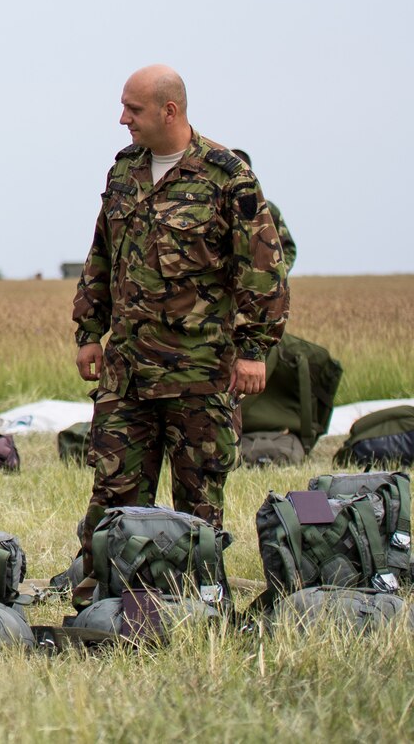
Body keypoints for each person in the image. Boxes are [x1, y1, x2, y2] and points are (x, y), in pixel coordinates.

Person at [70, 64, 288, 604]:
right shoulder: (124, 171)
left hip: (199, 371)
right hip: (127, 371)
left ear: (170, 110)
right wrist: (89, 330)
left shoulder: (226, 175)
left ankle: (200, 599)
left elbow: (262, 267)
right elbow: (102, 255)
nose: (123, 119)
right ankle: (106, 594)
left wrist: (255, 349)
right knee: (113, 492)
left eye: (134, 109)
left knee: (199, 500)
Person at [233, 150, 297, 280]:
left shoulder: (268, 209)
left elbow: (288, 248)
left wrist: (277, 274)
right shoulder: (211, 209)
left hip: (261, 289)